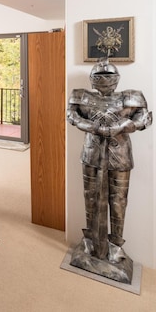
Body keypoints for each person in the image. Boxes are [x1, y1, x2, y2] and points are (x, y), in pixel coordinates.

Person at [67, 59, 152, 263]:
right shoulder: (81, 95)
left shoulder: (131, 96)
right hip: (92, 151)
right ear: (92, 79)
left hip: (120, 152)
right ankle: (91, 239)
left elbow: (145, 119)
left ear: (117, 79)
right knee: (90, 197)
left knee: (118, 200)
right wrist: (93, 127)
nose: (104, 80)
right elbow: (72, 115)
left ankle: (115, 244)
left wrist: (122, 125)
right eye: (99, 76)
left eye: (109, 76)